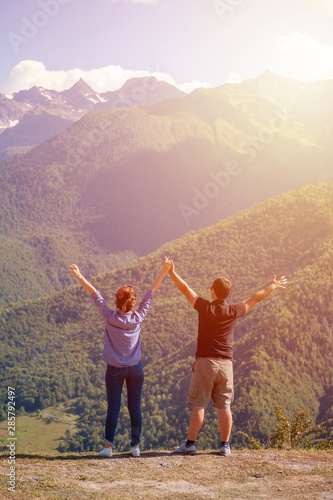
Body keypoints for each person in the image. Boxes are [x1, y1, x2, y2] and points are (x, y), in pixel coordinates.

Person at [168, 261, 287, 456]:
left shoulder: (204, 307)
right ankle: (225, 445)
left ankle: (190, 444)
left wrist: (172, 272)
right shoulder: (234, 310)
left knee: (200, 405)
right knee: (224, 406)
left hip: (205, 362)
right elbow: (255, 298)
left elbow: (185, 289)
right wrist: (272, 286)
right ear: (228, 294)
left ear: (212, 291)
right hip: (226, 365)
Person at [70, 257, 171, 458]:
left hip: (114, 370)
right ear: (134, 303)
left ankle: (108, 448)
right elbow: (151, 293)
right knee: (135, 407)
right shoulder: (139, 316)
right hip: (136, 368)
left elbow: (95, 294)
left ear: (116, 301)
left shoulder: (109, 316)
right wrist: (163, 272)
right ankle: (135, 447)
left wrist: (80, 276)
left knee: (113, 408)